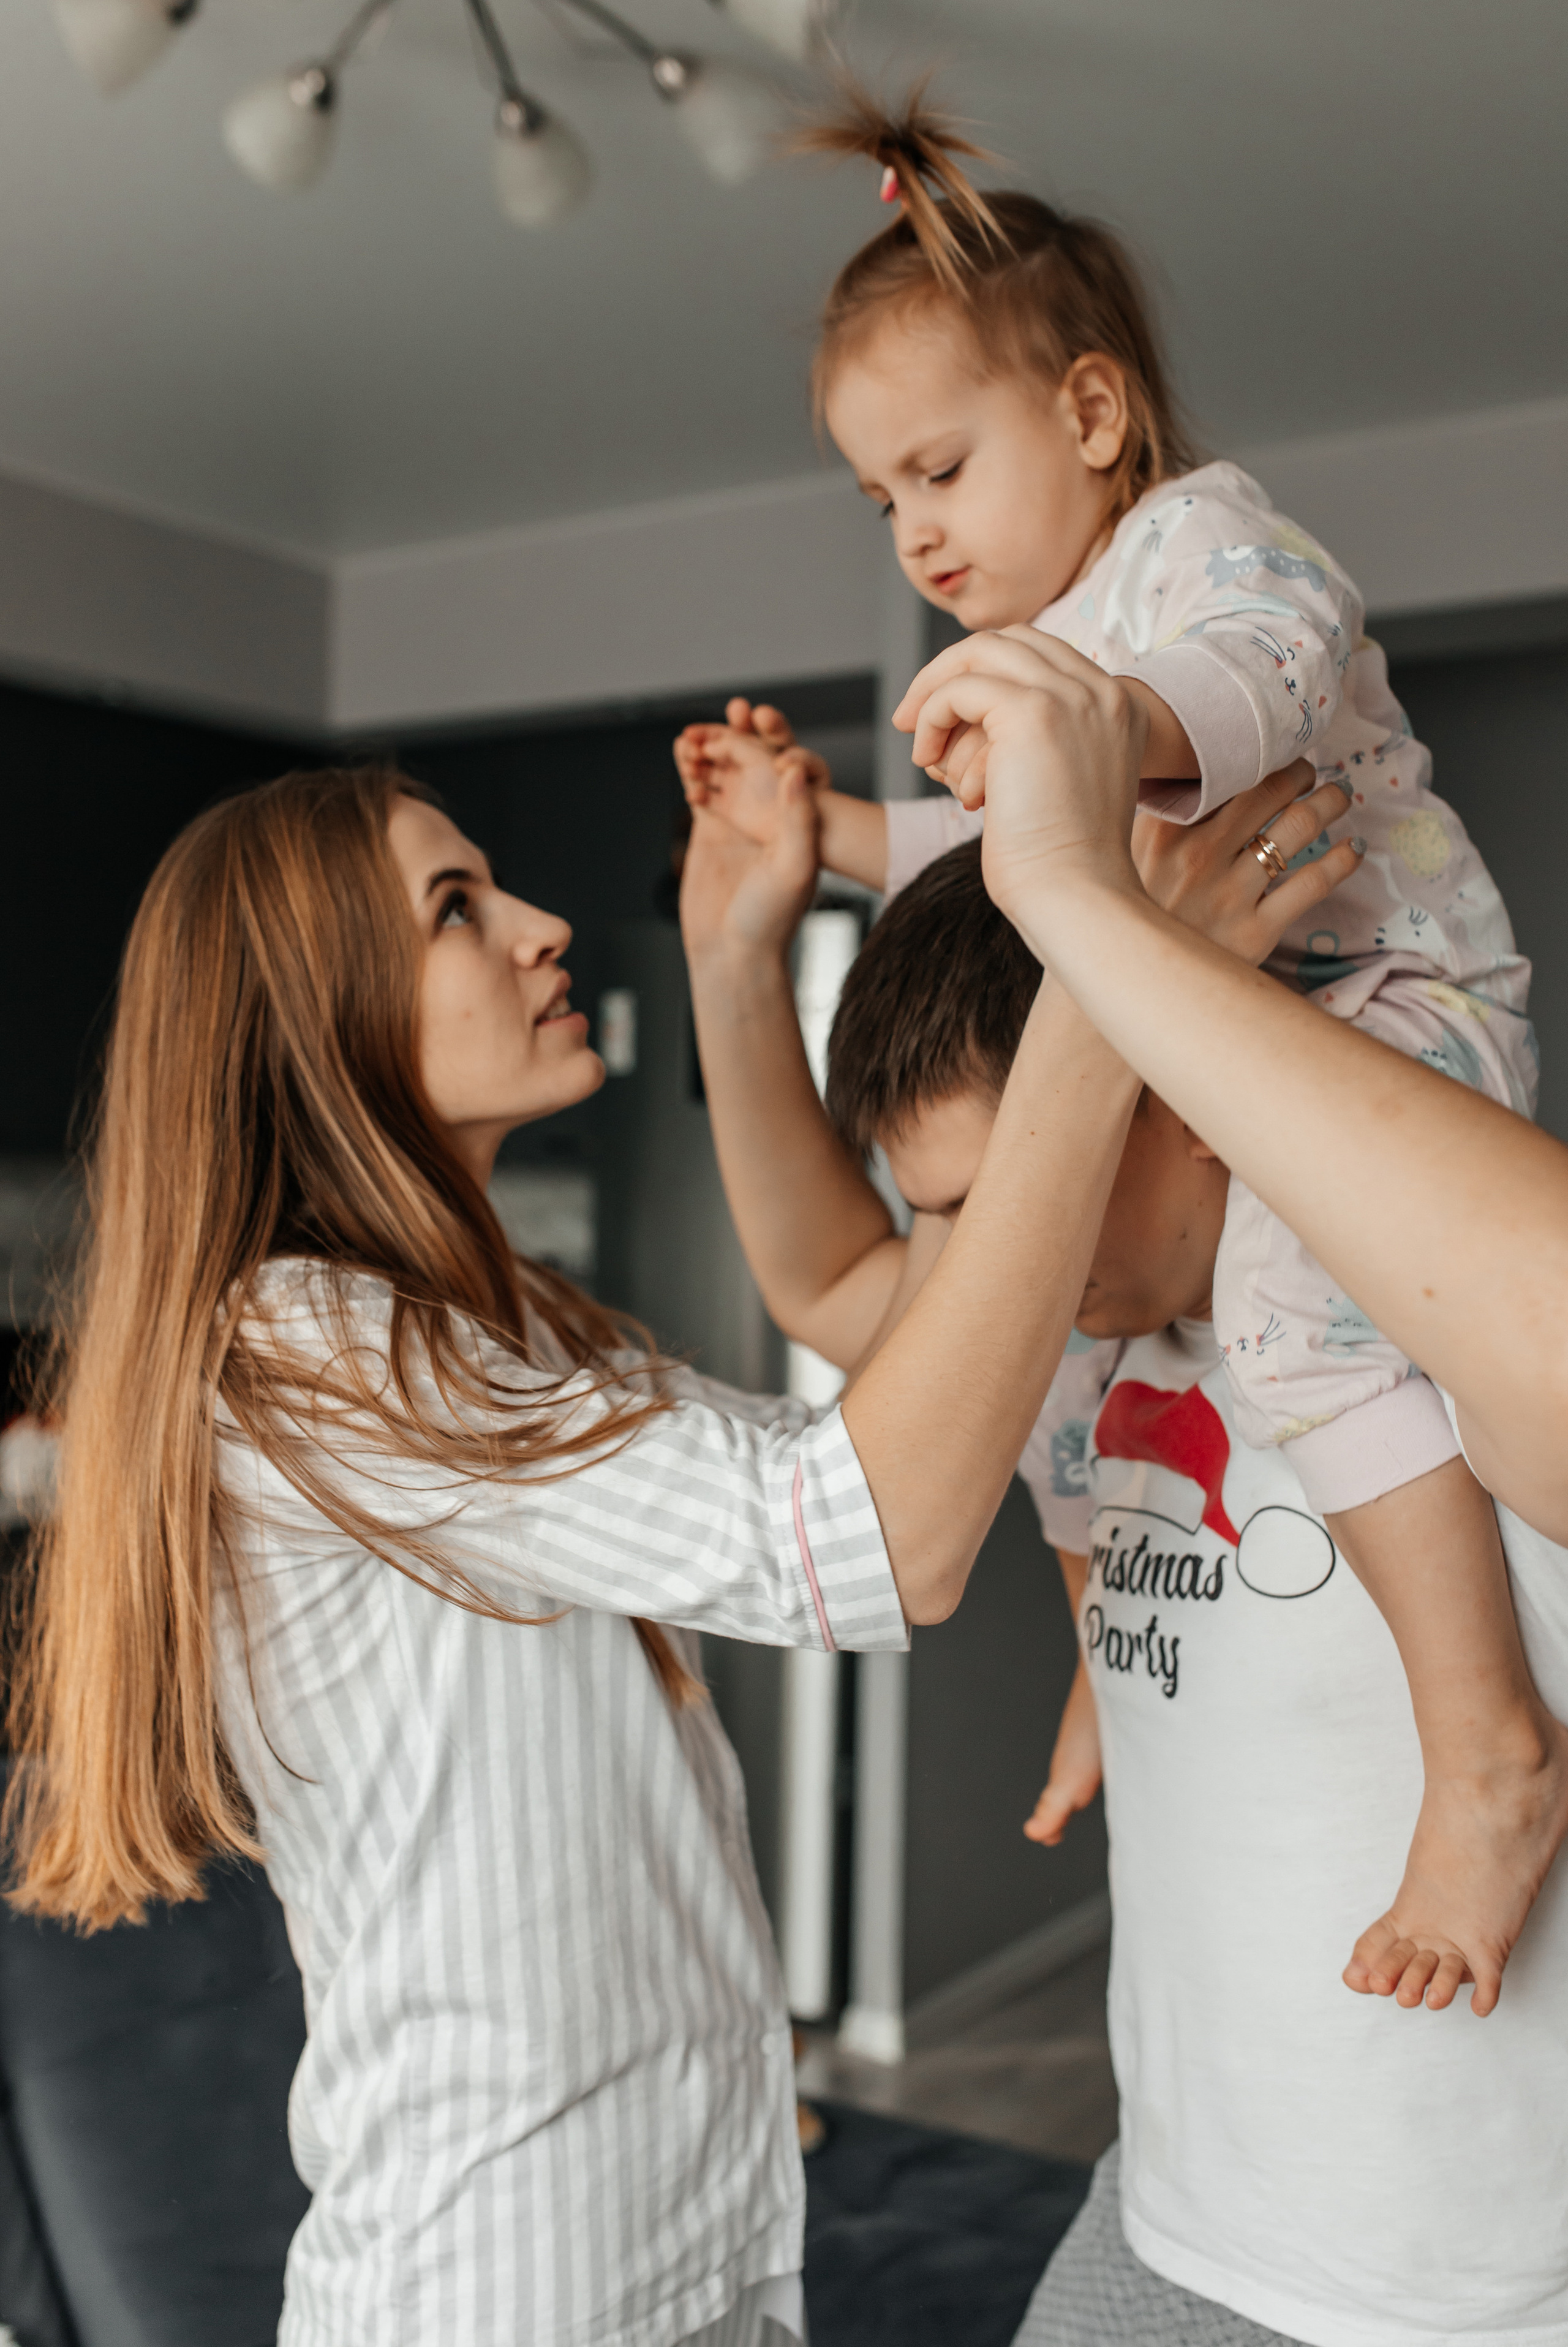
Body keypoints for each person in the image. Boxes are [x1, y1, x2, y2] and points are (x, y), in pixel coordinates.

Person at [7, 763, 1162, 2347]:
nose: (544, 929)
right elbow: (866, 1543)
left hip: (688, 2240)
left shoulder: (522, 1330)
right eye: (458, 910)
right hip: (512, 2286)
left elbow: (896, 1387)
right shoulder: (305, 1348)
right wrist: (1096, 1015)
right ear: (312, 1013)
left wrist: (736, 956)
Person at [674, 86, 1553, 2014]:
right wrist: (813, 840)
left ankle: (1487, 1741)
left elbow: (1259, 683)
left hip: (1384, 999)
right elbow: (1012, 855)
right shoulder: (1049, 667)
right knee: (1074, 1428)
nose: (913, 534)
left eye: (938, 473)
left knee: (1304, 1304)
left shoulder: (1199, 558)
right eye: (879, 501)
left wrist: (1110, 735)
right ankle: (1110, 1666)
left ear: (1086, 415)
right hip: (1221, 999)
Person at [679, 736, 1568, 2347]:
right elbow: (826, 1289)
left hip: (1458, 2294)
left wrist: (1145, 965)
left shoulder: (1410, 1328)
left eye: (1040, 1175)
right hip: (1170, 2211)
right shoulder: (1094, 1350)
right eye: (957, 1207)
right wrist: (734, 958)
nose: (1000, 1250)